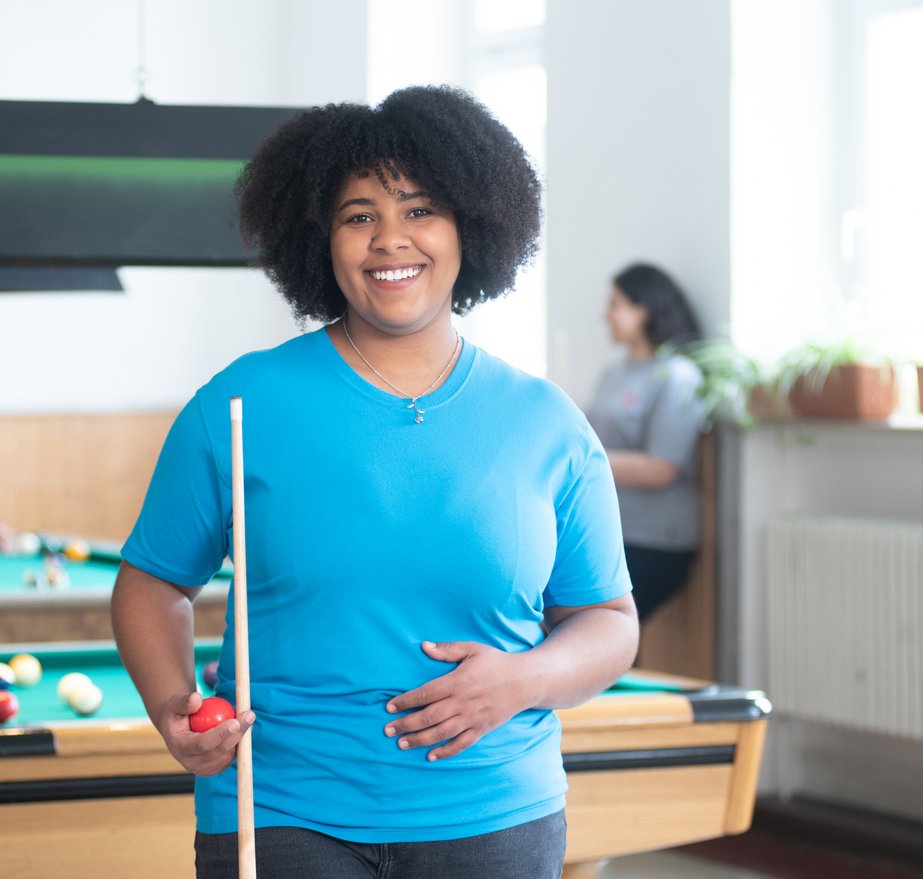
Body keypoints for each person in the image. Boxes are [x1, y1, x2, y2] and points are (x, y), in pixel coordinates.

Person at [110, 85, 638, 879]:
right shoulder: (240, 402)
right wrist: (169, 706)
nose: (390, 240)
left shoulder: (545, 421)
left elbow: (608, 618)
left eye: (420, 209)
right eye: (359, 215)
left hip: (493, 812)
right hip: (279, 809)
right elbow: (152, 583)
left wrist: (522, 679)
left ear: (472, 227)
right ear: (320, 239)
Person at [584, 263, 706, 624]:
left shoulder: (678, 376)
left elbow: (662, 468)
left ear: (644, 309)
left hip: (656, 539)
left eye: (615, 304)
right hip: (611, 531)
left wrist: (584, 460)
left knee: (598, 628)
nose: (606, 315)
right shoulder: (615, 373)